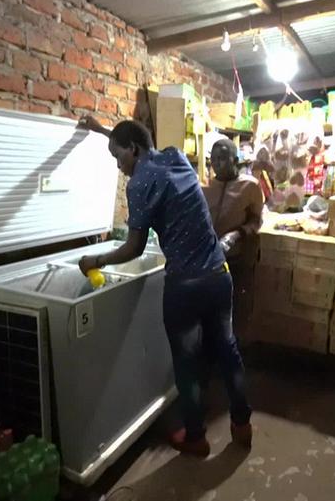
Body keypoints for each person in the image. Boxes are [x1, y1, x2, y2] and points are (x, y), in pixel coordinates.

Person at [76, 116, 252, 458]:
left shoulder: (138, 184)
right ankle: (242, 425)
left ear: (133, 150)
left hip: (185, 286)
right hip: (219, 275)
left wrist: (95, 260)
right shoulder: (176, 157)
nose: (118, 166)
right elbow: (142, 141)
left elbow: (134, 248)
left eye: (118, 157)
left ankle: (196, 438)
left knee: (187, 362)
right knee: (227, 349)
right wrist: (102, 130)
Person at [202, 139, 264, 331]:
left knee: (236, 312)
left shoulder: (250, 187)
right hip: (210, 261)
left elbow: (256, 221)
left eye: (222, 158)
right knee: (211, 312)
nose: (216, 164)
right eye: (213, 159)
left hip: (237, 261)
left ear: (235, 160)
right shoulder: (205, 187)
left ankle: (236, 345)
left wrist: (235, 235)